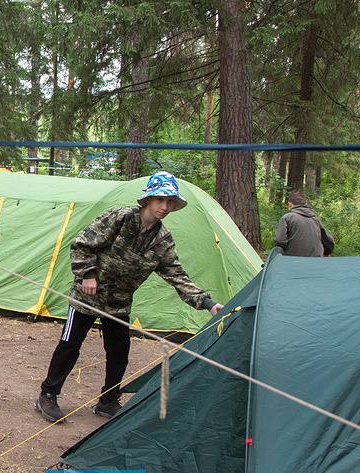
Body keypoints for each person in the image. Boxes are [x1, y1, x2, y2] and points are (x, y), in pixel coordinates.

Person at [35, 172, 224, 423]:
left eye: (170, 202)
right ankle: (48, 394)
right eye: (160, 200)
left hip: (119, 304)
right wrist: (87, 274)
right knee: (70, 346)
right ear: (147, 199)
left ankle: (108, 401)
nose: (164, 207)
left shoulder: (162, 240)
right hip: (86, 297)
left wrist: (208, 304)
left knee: (119, 352)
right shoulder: (121, 217)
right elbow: (82, 244)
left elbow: (177, 275)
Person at [274, 191, 334, 257]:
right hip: (316, 261)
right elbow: (329, 241)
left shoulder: (287, 218)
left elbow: (279, 240)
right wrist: (326, 252)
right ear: (305, 203)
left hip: (293, 261)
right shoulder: (315, 219)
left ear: (290, 204)